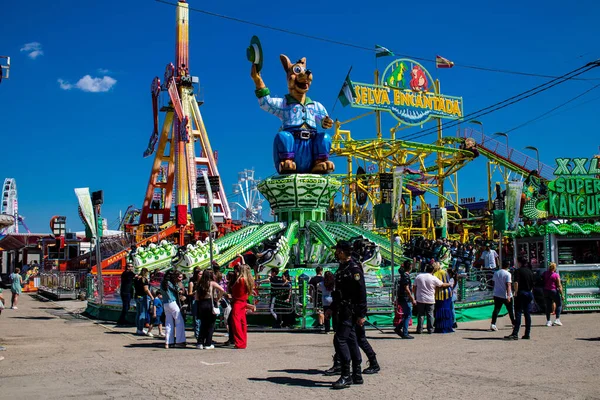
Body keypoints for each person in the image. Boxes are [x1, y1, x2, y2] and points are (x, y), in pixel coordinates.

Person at [329, 240, 366, 390]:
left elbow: (361, 291)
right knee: (351, 340)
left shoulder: (353, 269)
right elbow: (339, 293)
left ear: (343, 252)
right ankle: (357, 374)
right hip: (342, 309)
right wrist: (331, 307)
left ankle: (346, 375)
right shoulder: (343, 267)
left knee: (339, 340)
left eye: (337, 251)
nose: (336, 253)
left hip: (350, 310)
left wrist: (361, 313)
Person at [413, 264, 451, 334]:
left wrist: (415, 296)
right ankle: (430, 329)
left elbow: (414, 287)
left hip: (420, 298)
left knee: (421, 315)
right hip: (430, 299)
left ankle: (419, 329)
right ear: (432, 270)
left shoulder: (419, 276)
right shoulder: (433, 278)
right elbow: (442, 284)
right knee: (430, 314)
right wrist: (449, 284)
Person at [195, 270, 225, 350]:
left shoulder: (199, 284)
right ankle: (208, 343)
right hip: (209, 303)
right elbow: (222, 290)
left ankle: (200, 342)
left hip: (201, 303)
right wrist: (218, 297)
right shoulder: (211, 283)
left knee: (203, 324)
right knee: (211, 324)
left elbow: (196, 297)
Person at [505, 261, 535, 340]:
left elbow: (516, 282)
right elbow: (532, 283)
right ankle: (527, 333)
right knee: (527, 314)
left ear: (520, 263)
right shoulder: (530, 271)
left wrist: (515, 292)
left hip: (521, 292)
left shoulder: (518, 271)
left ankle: (515, 333)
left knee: (518, 313)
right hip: (529, 293)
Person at [229, 265, 256, 349]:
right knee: (243, 323)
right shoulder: (248, 280)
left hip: (237, 302)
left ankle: (239, 342)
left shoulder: (240, 280)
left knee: (236, 323)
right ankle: (243, 342)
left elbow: (234, 292)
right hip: (243, 302)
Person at [161, 271, 186, 348]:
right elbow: (178, 290)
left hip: (165, 303)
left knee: (168, 323)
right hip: (172, 302)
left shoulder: (162, 283)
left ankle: (168, 342)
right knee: (179, 321)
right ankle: (180, 341)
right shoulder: (170, 283)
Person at [490, 260, 515, 331]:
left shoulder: (496, 273)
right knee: (510, 310)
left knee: (496, 309)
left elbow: (493, 283)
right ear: (508, 266)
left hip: (497, 294)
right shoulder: (508, 274)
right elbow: (508, 285)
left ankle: (493, 324)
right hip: (505, 295)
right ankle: (514, 323)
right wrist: (509, 295)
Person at [394, 259, 416, 339]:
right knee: (408, 314)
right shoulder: (405, 276)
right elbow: (406, 288)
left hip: (403, 297)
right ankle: (405, 332)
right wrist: (412, 298)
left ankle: (399, 328)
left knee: (407, 314)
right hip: (405, 298)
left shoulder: (403, 274)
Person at [433, 263, 454, 333]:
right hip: (447, 293)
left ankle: (440, 327)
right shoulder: (444, 272)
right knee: (447, 310)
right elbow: (447, 282)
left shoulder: (434, 274)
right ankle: (447, 327)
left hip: (438, 294)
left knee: (439, 310)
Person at [134, 268, 154, 336]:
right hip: (143, 297)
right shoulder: (144, 279)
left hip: (137, 296)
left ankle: (138, 328)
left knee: (138, 313)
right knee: (143, 313)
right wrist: (151, 296)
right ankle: (140, 328)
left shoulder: (136, 279)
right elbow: (146, 289)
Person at [543, 262, 563, 327]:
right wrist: (562, 294)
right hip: (553, 291)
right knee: (559, 304)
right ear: (554, 268)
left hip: (546, 291)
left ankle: (548, 321)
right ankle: (557, 319)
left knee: (548, 306)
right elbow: (559, 285)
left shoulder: (545, 273)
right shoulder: (556, 275)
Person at [188, 267, 202, 340]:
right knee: (197, 319)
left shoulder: (203, 282)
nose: (202, 275)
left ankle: (203, 336)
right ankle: (198, 336)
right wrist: (195, 292)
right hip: (195, 301)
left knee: (202, 319)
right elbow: (189, 293)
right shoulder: (192, 282)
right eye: (200, 274)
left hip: (202, 300)